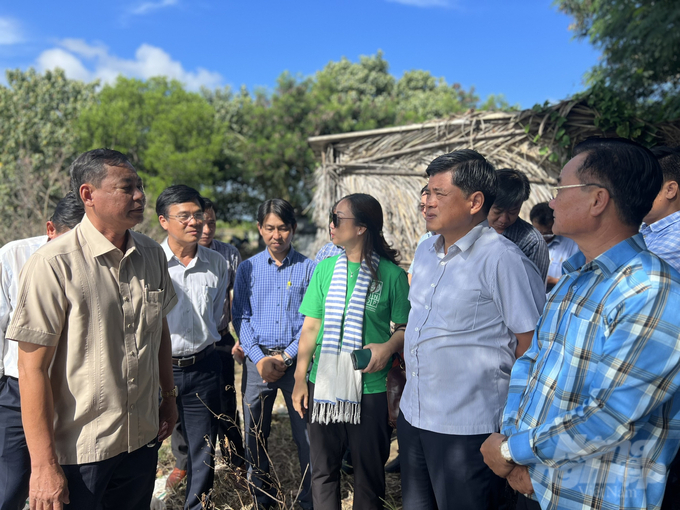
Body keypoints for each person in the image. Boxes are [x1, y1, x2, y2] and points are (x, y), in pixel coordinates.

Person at [481, 138, 680, 510]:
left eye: (559, 189)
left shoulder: (654, 292)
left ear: (597, 200)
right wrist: (516, 454)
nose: (551, 201)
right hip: (533, 483)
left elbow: (609, 416)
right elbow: (531, 363)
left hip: (590, 497)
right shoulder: (574, 278)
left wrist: (511, 450)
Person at [7, 148, 178, 509]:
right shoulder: (53, 265)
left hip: (141, 443)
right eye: (126, 187)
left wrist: (169, 397)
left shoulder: (152, 255)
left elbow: (159, 329)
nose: (140, 196)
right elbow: (31, 368)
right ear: (88, 195)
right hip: (80, 453)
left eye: (140, 186)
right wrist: (42, 466)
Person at [401, 150, 546, 509]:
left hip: (469, 430)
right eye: (426, 193)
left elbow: (531, 346)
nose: (427, 203)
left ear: (474, 201)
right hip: (414, 416)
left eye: (439, 194)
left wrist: (512, 429)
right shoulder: (424, 250)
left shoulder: (503, 259)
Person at [292, 193, 411, 510]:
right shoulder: (325, 270)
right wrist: (301, 379)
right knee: (323, 472)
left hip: (370, 389)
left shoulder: (392, 276)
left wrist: (387, 347)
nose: (331, 224)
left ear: (361, 228)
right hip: (324, 384)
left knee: (368, 478)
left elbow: (405, 327)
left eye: (337, 217)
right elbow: (310, 328)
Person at [0, 192, 84, 510]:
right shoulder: (13, 256)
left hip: (77, 391)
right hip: (17, 389)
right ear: (51, 229)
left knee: (71, 487)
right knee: (11, 485)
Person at [232, 199, 315, 510]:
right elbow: (240, 316)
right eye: (269, 228)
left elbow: (312, 320)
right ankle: (261, 499)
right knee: (255, 435)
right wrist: (260, 358)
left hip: (297, 366)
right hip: (258, 363)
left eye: (282, 228)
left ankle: (308, 500)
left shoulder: (309, 268)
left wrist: (287, 357)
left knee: (306, 436)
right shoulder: (247, 268)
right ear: (259, 228)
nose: (276, 235)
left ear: (292, 229)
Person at [157, 186, 229, 510]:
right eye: (183, 215)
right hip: (159, 369)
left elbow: (215, 316)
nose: (194, 222)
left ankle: (197, 506)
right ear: (163, 221)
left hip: (203, 367)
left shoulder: (217, 264)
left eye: (198, 215)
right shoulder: (151, 262)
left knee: (203, 448)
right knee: (149, 440)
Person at [167, 198, 246, 490]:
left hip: (217, 338)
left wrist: (239, 339)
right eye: (202, 221)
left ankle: (235, 457)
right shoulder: (162, 257)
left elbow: (236, 300)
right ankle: (182, 461)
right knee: (176, 408)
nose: (205, 228)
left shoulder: (227, 255)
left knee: (225, 403)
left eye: (211, 222)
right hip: (175, 348)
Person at [488, 168, 550, 282]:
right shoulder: (468, 227)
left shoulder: (533, 243)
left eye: (513, 211)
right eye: (497, 210)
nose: (504, 219)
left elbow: (532, 294)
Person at [641, 147, 680, 271]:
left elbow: (624, 279)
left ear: (670, 190)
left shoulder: (676, 237)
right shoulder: (643, 227)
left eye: (641, 186)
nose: (630, 195)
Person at [529, 202, 579, 291]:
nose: (543, 236)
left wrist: (554, 281)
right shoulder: (527, 243)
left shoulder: (572, 244)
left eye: (548, 232)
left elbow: (579, 279)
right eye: (539, 232)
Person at [407, 185, 434, 284]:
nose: (425, 211)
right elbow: (412, 274)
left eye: (430, 206)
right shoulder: (425, 239)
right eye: (422, 206)